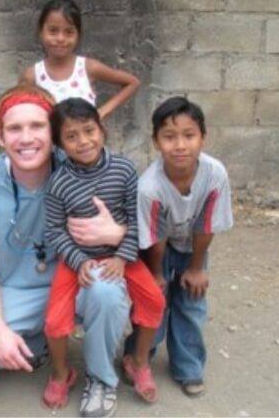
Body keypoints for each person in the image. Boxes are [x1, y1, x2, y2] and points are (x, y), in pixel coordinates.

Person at [0, 84, 130, 418]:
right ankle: (41, 343)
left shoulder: (83, 166)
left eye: (37, 126)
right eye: (15, 129)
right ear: (0, 137)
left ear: (54, 132)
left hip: (77, 280)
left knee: (106, 291)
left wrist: (118, 232)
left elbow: (139, 221)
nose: (26, 138)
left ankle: (101, 378)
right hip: (18, 291)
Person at [43, 98, 165, 408]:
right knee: (55, 320)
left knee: (154, 300)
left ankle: (137, 361)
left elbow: (136, 219)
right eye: (71, 136)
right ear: (59, 143)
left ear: (103, 130)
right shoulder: (58, 183)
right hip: (77, 262)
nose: (83, 141)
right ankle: (60, 374)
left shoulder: (124, 170)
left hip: (120, 257)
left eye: (89, 131)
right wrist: (79, 259)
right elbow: (55, 230)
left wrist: (122, 257)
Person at [125, 96, 233, 398]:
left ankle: (188, 368)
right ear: (156, 142)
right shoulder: (150, 186)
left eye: (189, 135)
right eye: (169, 137)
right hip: (156, 249)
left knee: (191, 304)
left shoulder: (215, 174)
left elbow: (206, 225)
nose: (180, 145)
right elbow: (155, 238)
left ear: (203, 138)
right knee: (152, 303)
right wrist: (157, 275)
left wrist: (197, 267)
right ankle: (136, 356)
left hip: (193, 246)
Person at [19, 0, 140, 120]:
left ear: (78, 35)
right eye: (53, 31)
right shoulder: (32, 76)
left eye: (69, 32)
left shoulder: (88, 68)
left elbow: (132, 82)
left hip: (85, 139)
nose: (61, 38)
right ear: (41, 32)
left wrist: (102, 112)